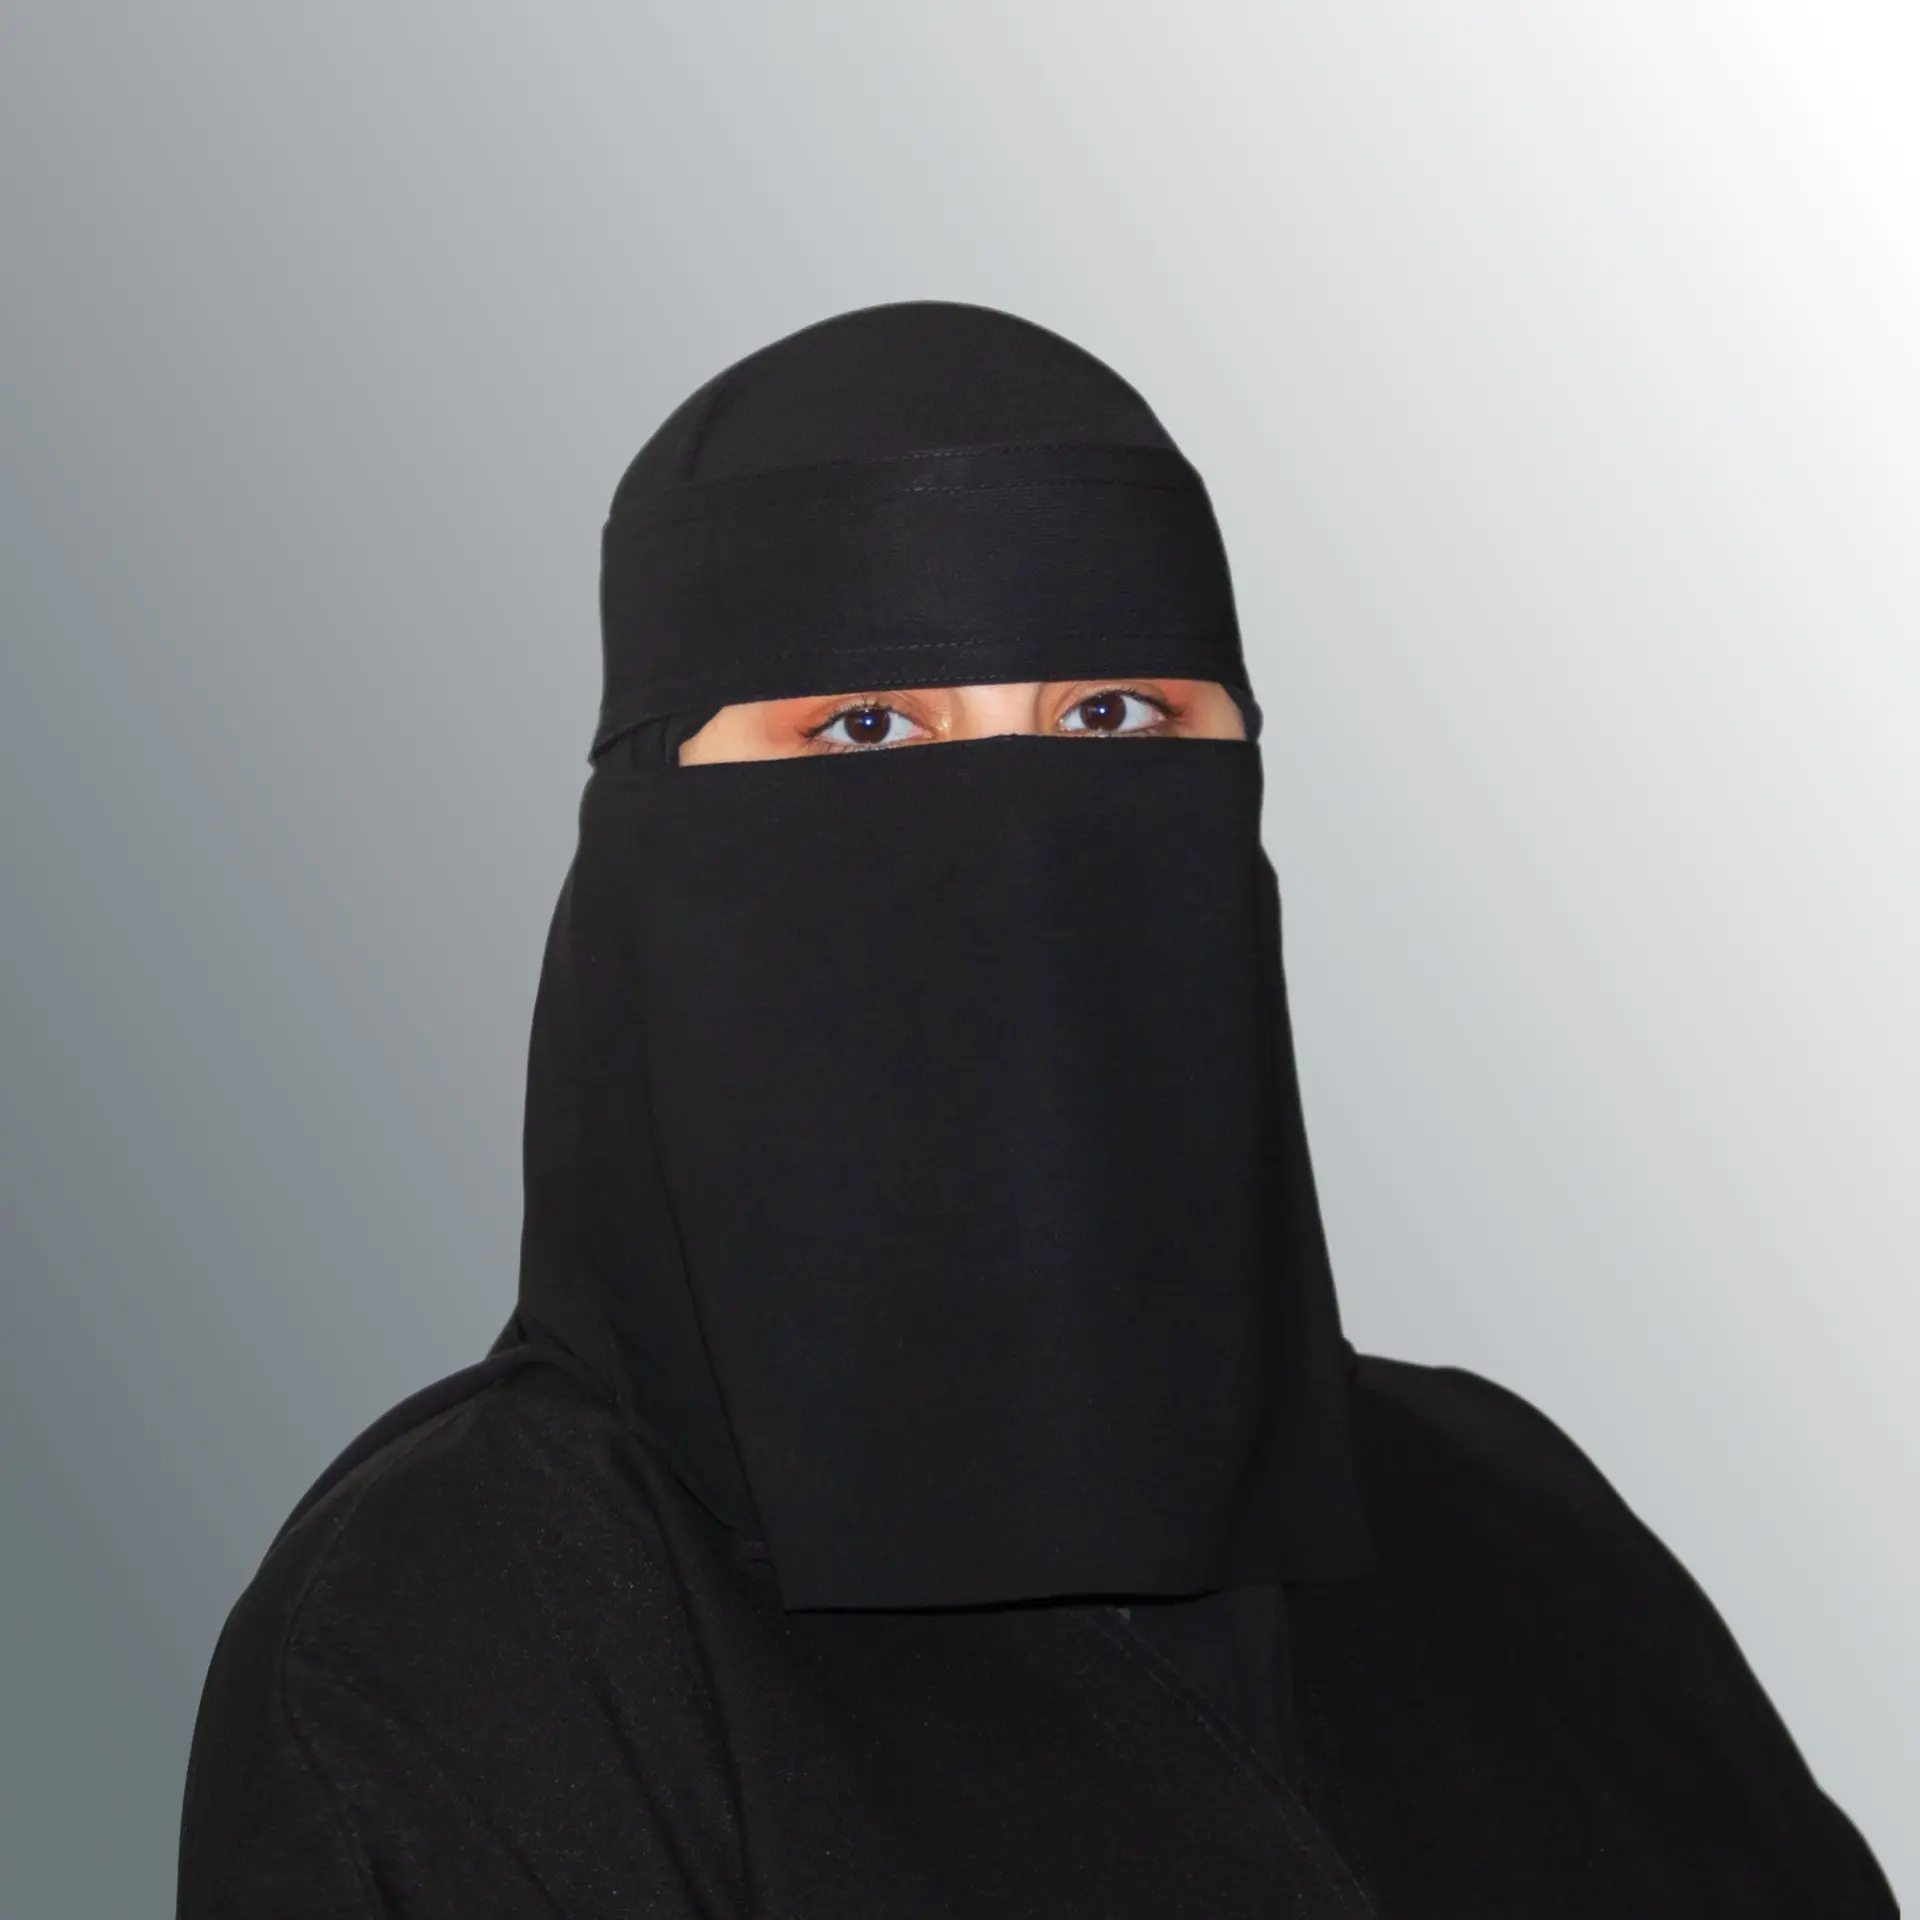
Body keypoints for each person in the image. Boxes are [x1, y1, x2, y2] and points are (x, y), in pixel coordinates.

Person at [177, 301, 1897, 1918]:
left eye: (1115, 713)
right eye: (864, 726)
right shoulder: (473, 1624)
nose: (1021, 826)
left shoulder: (1508, 1517)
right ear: (648, 831)